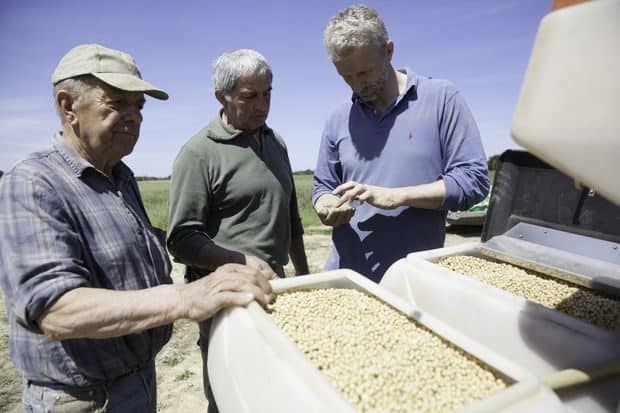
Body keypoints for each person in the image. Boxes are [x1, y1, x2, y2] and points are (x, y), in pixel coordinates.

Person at [0, 44, 274, 413]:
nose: (134, 117)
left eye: (139, 106)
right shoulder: (34, 182)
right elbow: (57, 309)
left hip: (136, 382)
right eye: (116, 103)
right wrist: (187, 297)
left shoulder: (120, 178)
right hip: (81, 399)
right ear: (68, 107)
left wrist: (218, 269)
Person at [167, 49, 309, 411]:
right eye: (250, 97)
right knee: (232, 393)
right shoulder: (198, 153)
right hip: (224, 295)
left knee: (275, 387)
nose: (262, 105)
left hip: (276, 289)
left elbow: (291, 219)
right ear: (222, 97)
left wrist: (305, 279)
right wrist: (238, 260)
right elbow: (181, 238)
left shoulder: (275, 143)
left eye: (268, 93)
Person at [313, 5, 490, 282]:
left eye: (364, 73)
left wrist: (396, 196)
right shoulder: (337, 119)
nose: (357, 85)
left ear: (389, 50)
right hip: (345, 278)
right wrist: (325, 205)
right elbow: (323, 186)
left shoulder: (442, 99)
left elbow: (473, 181)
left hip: (413, 281)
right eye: (346, 77)